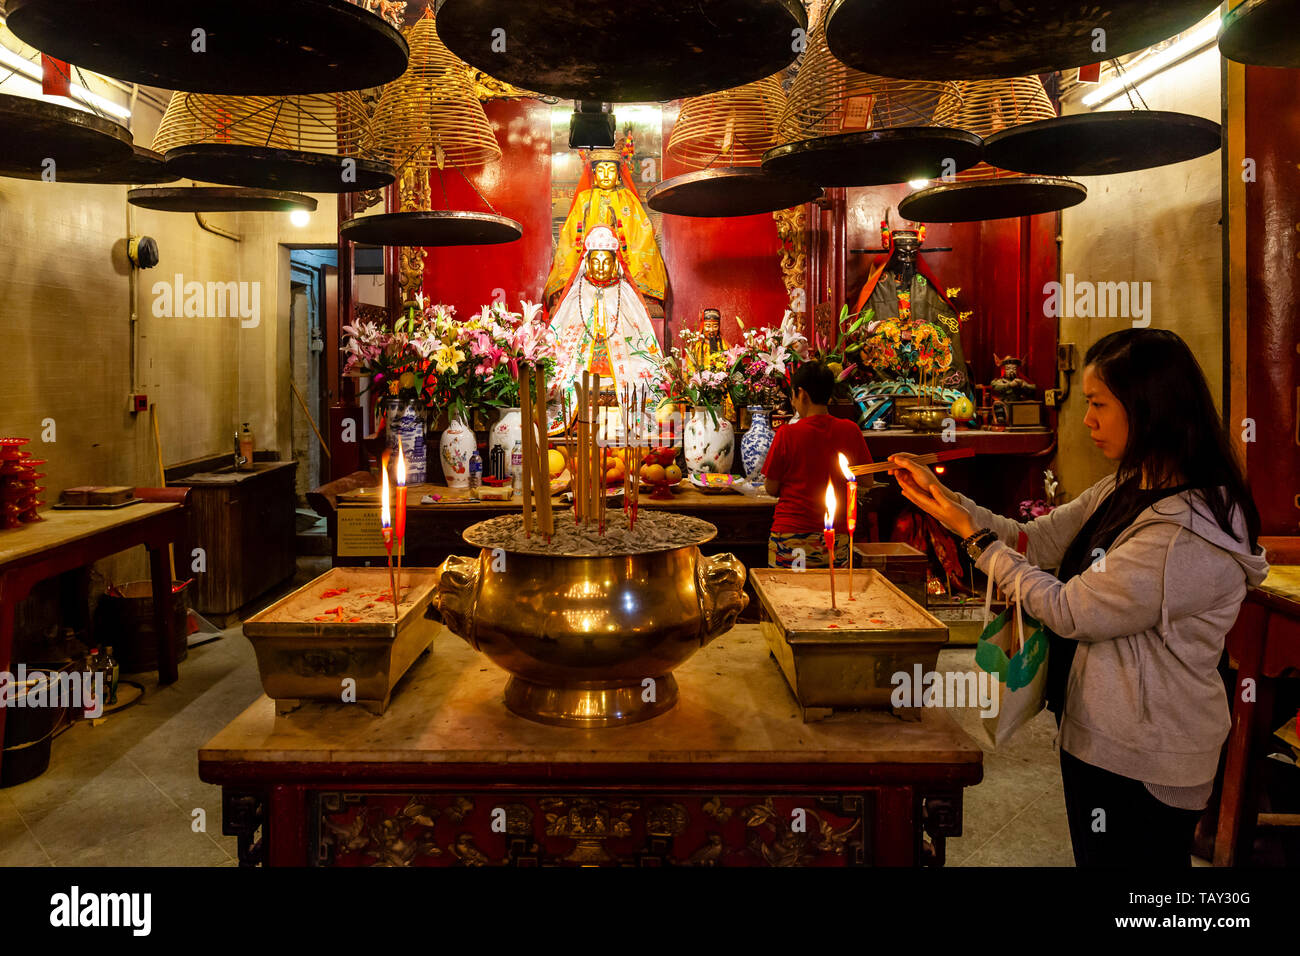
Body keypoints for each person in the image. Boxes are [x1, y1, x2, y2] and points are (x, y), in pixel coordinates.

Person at [887, 328, 1269, 867]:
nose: (1086, 419)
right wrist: (943, 499)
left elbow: (1072, 611)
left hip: (1146, 753)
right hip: (1100, 736)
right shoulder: (1131, 483)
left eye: (1098, 405)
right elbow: (1034, 539)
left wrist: (974, 543)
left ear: (1149, 408)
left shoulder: (1184, 532)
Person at [548, 225, 663, 433]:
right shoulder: (576, 294)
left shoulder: (625, 295)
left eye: (606, 262)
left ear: (614, 264)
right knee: (562, 383)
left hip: (618, 365)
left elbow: (640, 335)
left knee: (639, 382)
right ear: (587, 263)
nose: (601, 267)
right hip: (583, 367)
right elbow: (561, 333)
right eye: (596, 262)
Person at [762, 362, 873, 568]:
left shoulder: (787, 433)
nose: (793, 403)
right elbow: (867, 481)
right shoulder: (850, 430)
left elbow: (771, 488)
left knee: (785, 597)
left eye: (792, 396)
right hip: (836, 539)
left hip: (790, 536)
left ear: (801, 393)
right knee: (831, 597)